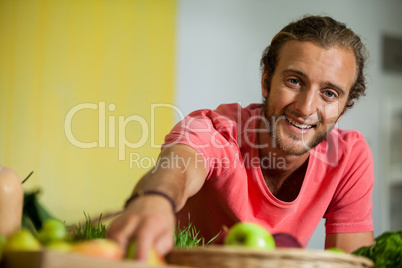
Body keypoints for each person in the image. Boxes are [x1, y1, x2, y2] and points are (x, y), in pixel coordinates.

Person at [107, 15, 375, 260]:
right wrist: (155, 198)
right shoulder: (219, 129)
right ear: (266, 81)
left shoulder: (348, 157)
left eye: (329, 93)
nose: (305, 108)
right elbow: (180, 162)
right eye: (294, 81)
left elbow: (351, 261)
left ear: (343, 108)